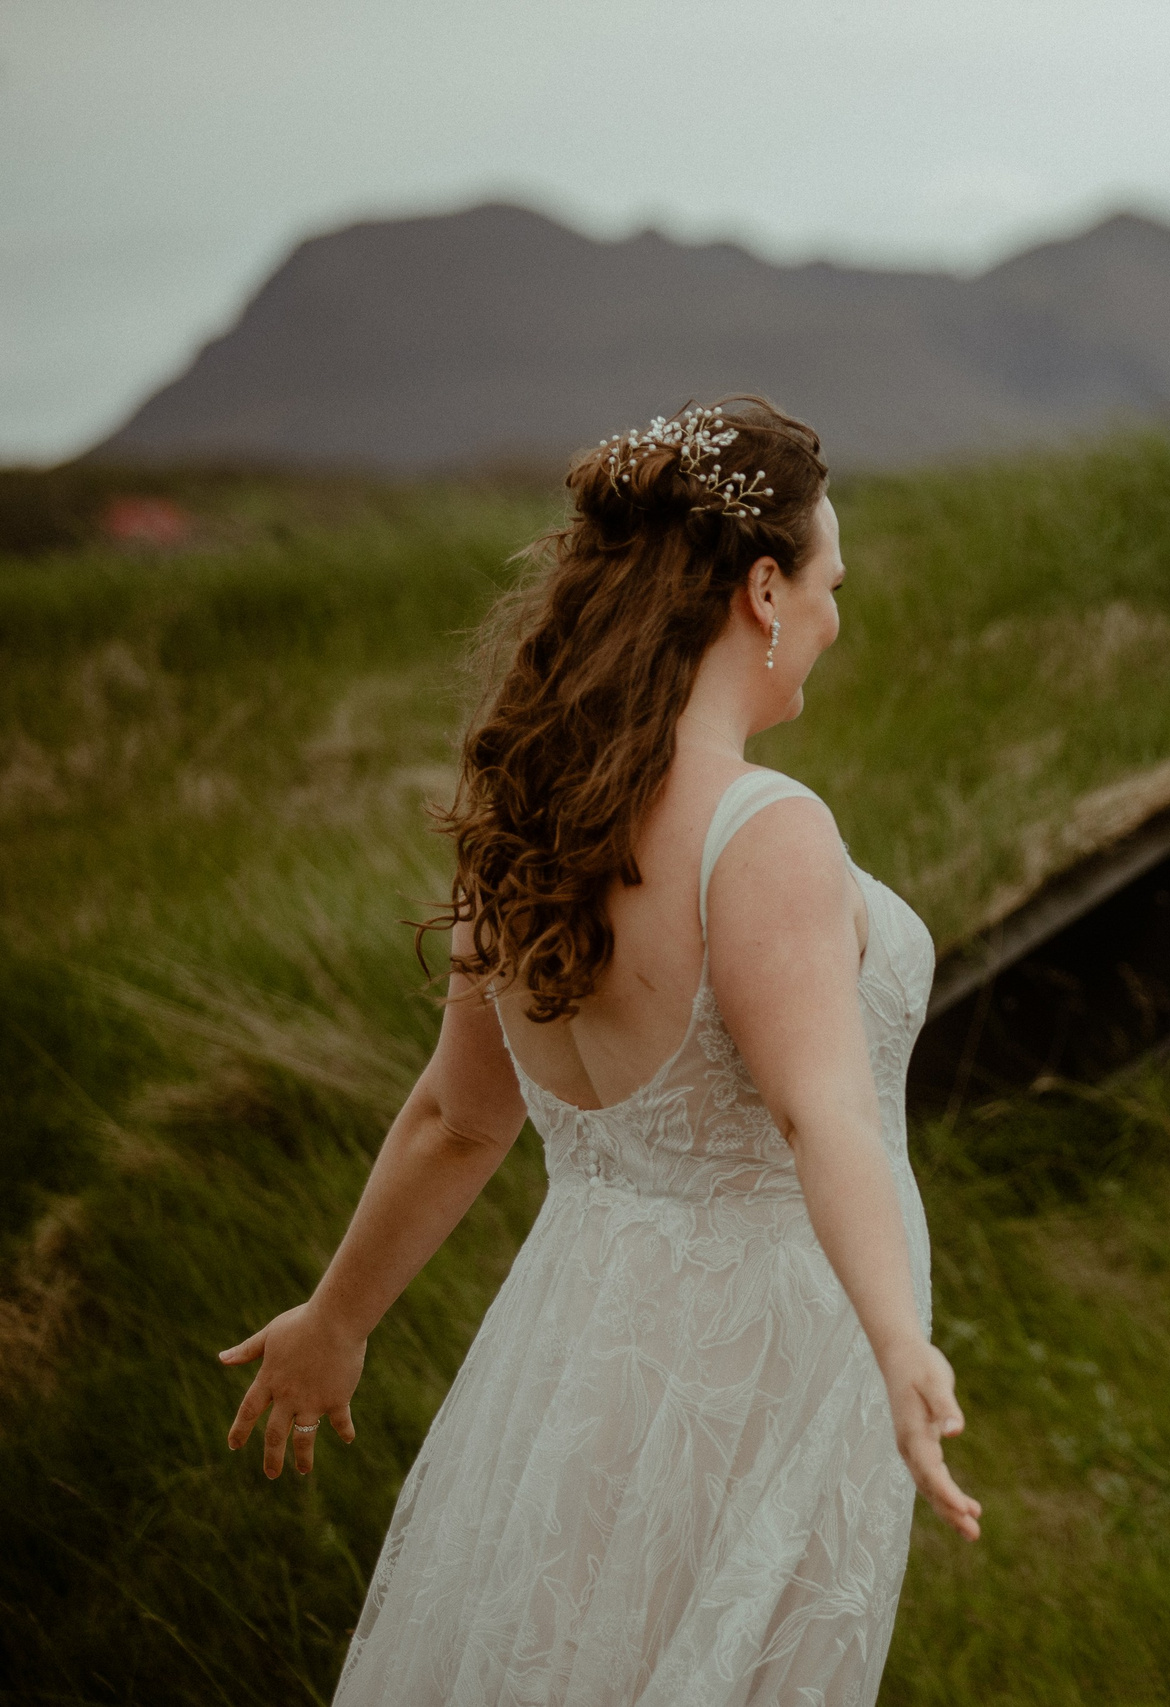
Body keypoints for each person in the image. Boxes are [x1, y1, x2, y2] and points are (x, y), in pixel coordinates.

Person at [216, 397, 980, 1705]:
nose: (837, 618)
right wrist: (901, 1340)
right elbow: (824, 1119)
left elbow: (459, 1120)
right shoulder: (765, 827)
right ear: (761, 589)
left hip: (581, 1338)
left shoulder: (531, 814)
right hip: (759, 1364)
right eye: (830, 583)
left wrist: (336, 1318)